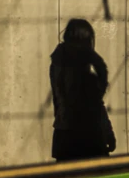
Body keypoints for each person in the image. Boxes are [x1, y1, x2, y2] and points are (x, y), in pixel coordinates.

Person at [49, 18, 117, 161]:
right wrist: (96, 61)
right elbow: (96, 102)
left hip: (63, 136)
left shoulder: (58, 64)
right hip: (87, 137)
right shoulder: (81, 74)